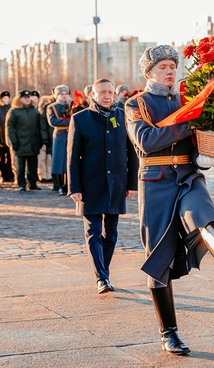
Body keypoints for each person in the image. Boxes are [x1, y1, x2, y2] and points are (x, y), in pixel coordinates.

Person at [125, 45, 214, 356]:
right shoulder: (135, 103)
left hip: (188, 174)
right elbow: (146, 140)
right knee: (159, 260)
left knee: (203, 212)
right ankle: (168, 333)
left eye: (172, 65)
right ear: (149, 72)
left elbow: (199, 143)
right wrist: (188, 122)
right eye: (163, 66)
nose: (170, 71)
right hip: (156, 184)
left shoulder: (186, 101)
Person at [68, 78, 139, 294]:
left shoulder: (122, 117)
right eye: (102, 92)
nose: (107, 96)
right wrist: (74, 187)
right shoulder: (80, 119)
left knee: (112, 234)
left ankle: (104, 273)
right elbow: (72, 157)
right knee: (94, 232)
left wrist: (131, 183)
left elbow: (132, 152)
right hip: (90, 184)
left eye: (110, 92)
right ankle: (101, 278)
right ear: (93, 95)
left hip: (116, 184)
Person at [6, 89, 49, 192]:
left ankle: (32, 183)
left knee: (33, 165)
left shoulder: (34, 111)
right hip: (20, 142)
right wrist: (14, 141)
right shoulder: (14, 111)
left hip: (33, 142)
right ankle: (21, 184)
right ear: (19, 99)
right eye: (25, 98)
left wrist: (42, 139)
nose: (27, 100)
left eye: (28, 98)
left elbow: (40, 126)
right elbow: (10, 128)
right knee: (20, 166)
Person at [47, 85, 72, 195]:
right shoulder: (52, 107)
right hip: (60, 135)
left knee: (70, 160)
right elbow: (53, 121)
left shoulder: (72, 105)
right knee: (60, 161)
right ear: (56, 95)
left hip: (71, 134)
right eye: (61, 94)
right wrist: (69, 122)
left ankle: (69, 185)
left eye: (66, 94)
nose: (64, 96)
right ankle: (60, 185)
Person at [0, 91, 15, 182]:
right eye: (4, 98)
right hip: (1, 137)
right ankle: (2, 174)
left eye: (7, 98)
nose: (6, 100)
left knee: (10, 158)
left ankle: (11, 174)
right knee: (1, 157)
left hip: (10, 136)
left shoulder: (12, 109)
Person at [37, 94, 54, 184]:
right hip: (42, 138)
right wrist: (45, 138)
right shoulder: (40, 112)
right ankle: (42, 175)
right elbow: (42, 126)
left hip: (49, 137)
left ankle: (49, 175)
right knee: (42, 159)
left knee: (49, 159)